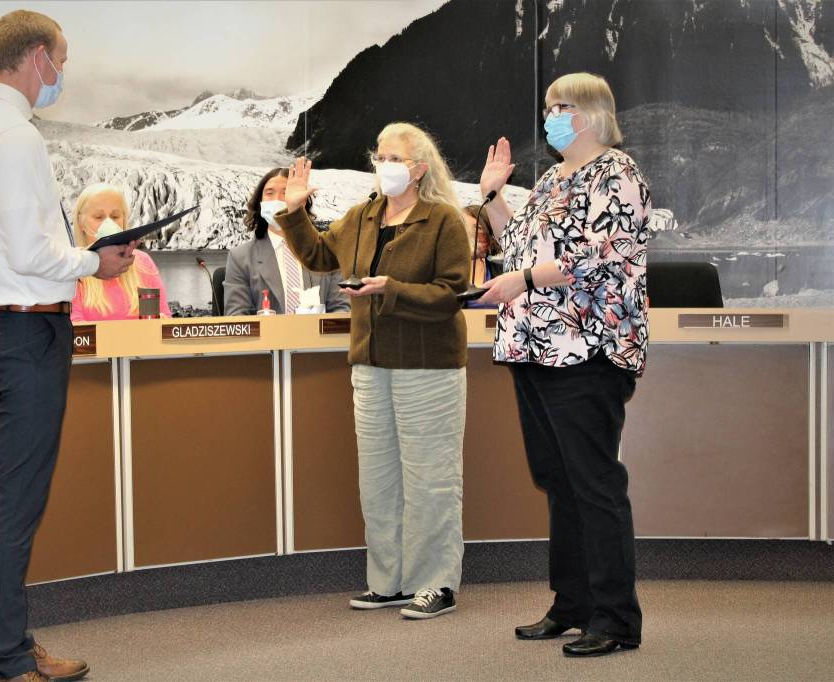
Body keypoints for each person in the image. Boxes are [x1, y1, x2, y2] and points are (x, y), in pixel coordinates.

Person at [0, 10, 135, 682]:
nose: (62, 74)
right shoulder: (14, 135)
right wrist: (98, 263)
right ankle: (2, 659)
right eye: (61, 59)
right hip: (24, 327)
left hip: (5, 325)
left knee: (9, 495)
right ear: (37, 57)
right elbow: (32, 251)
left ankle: (8, 643)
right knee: (14, 500)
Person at [475, 72, 650, 657]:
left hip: (588, 349)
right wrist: (495, 195)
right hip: (535, 346)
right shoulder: (552, 178)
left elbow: (593, 256)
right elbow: (519, 245)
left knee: (594, 482)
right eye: (547, 106)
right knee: (559, 481)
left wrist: (519, 280)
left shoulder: (618, 174)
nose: (551, 114)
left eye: (563, 105)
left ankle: (616, 618)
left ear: (594, 114)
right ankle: (572, 605)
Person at [274, 123, 470, 619]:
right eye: (380, 155)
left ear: (419, 168)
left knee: (431, 479)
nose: (385, 165)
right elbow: (320, 256)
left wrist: (390, 290)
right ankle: (391, 581)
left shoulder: (443, 220)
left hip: (428, 366)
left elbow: (452, 294)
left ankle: (437, 583)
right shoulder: (362, 216)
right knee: (378, 479)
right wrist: (295, 211)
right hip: (370, 364)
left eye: (395, 158)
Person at [224, 168, 349, 315]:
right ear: (260, 203)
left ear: (302, 201)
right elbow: (237, 317)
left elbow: (342, 309)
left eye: (285, 193)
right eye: (269, 193)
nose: (277, 199)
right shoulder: (241, 257)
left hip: (317, 337)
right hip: (268, 338)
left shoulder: (327, 252)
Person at [70, 183, 172, 321]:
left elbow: (165, 319)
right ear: (81, 223)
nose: (108, 223)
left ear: (124, 220)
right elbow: (75, 330)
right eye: (98, 217)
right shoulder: (75, 267)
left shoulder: (142, 262)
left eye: (115, 216)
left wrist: (160, 321)